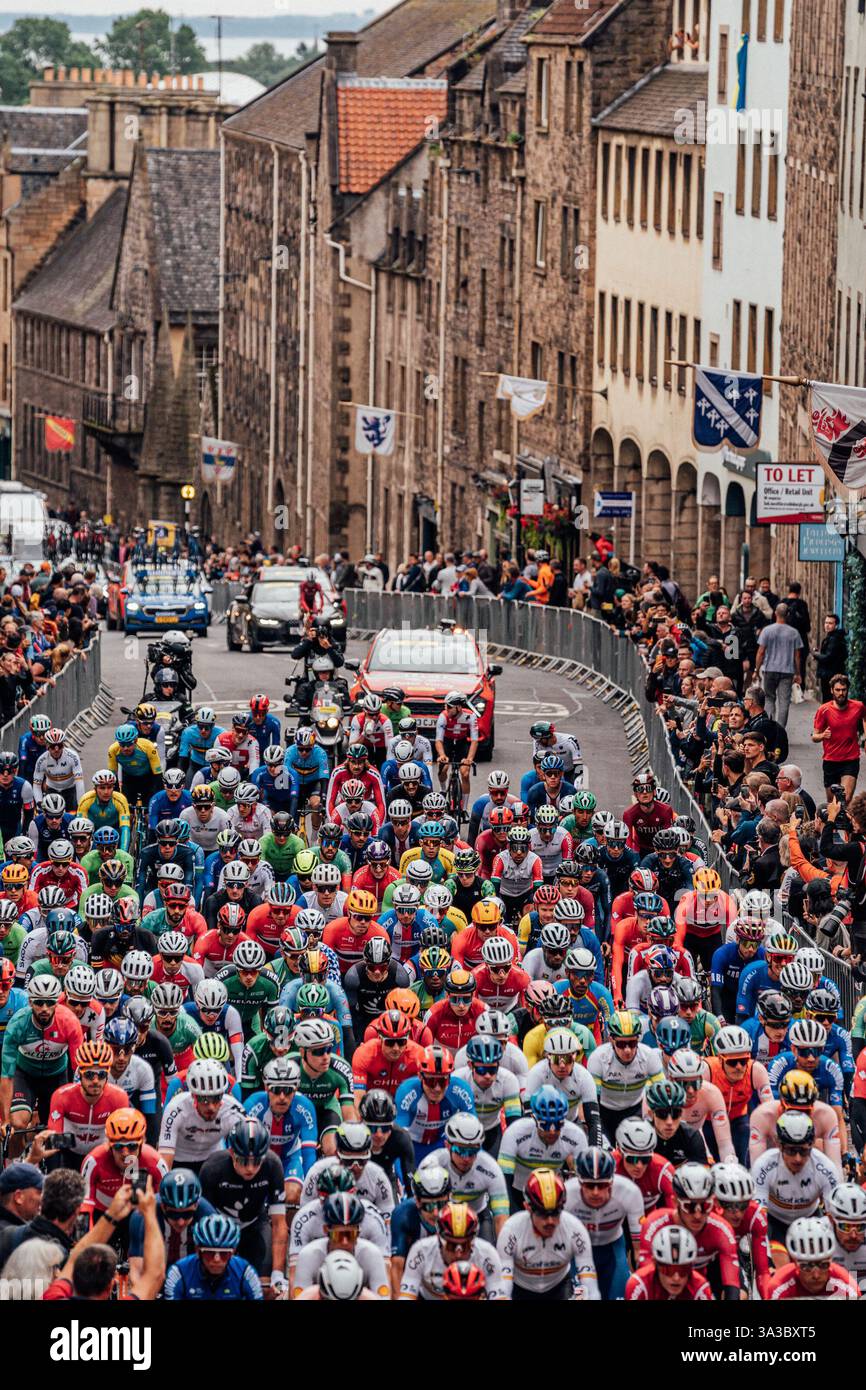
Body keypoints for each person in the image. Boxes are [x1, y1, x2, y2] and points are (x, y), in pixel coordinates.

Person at [811, 672, 866, 802]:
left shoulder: (858, 706)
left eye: (844, 690)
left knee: (844, 800)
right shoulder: (824, 710)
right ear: (831, 690)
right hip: (831, 760)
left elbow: (864, 718)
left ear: (847, 690)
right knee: (832, 803)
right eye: (837, 690)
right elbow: (814, 736)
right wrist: (822, 735)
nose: (841, 693)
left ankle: (846, 821)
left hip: (850, 759)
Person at [754, 604, 803, 729]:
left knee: (769, 698)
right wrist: (798, 673)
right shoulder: (794, 633)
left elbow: (761, 652)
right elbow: (797, 656)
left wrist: (756, 670)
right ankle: (780, 730)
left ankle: (769, 727)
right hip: (787, 671)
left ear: (775, 613)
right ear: (787, 615)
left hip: (770, 669)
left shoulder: (767, 630)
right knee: (784, 701)